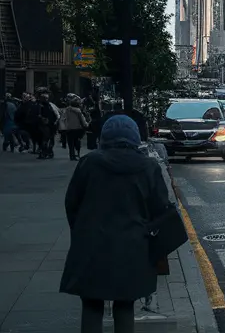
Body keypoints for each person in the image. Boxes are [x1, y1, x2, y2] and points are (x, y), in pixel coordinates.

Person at [60, 114, 170, 333]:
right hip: (133, 245)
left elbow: (71, 203)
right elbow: (160, 208)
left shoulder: (89, 162)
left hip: (91, 244)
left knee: (91, 304)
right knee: (125, 304)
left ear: (104, 137)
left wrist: (81, 229)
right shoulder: (148, 166)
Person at [61, 96, 89, 161]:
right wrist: (86, 125)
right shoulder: (78, 111)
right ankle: (77, 154)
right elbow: (82, 120)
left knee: (70, 143)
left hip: (69, 128)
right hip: (77, 128)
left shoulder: (66, 110)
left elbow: (63, 118)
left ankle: (72, 155)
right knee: (77, 141)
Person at [36, 92, 60, 159]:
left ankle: (46, 152)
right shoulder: (49, 105)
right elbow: (57, 115)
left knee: (45, 139)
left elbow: (57, 115)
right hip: (48, 125)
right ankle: (48, 152)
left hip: (46, 125)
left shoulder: (42, 105)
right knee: (48, 139)